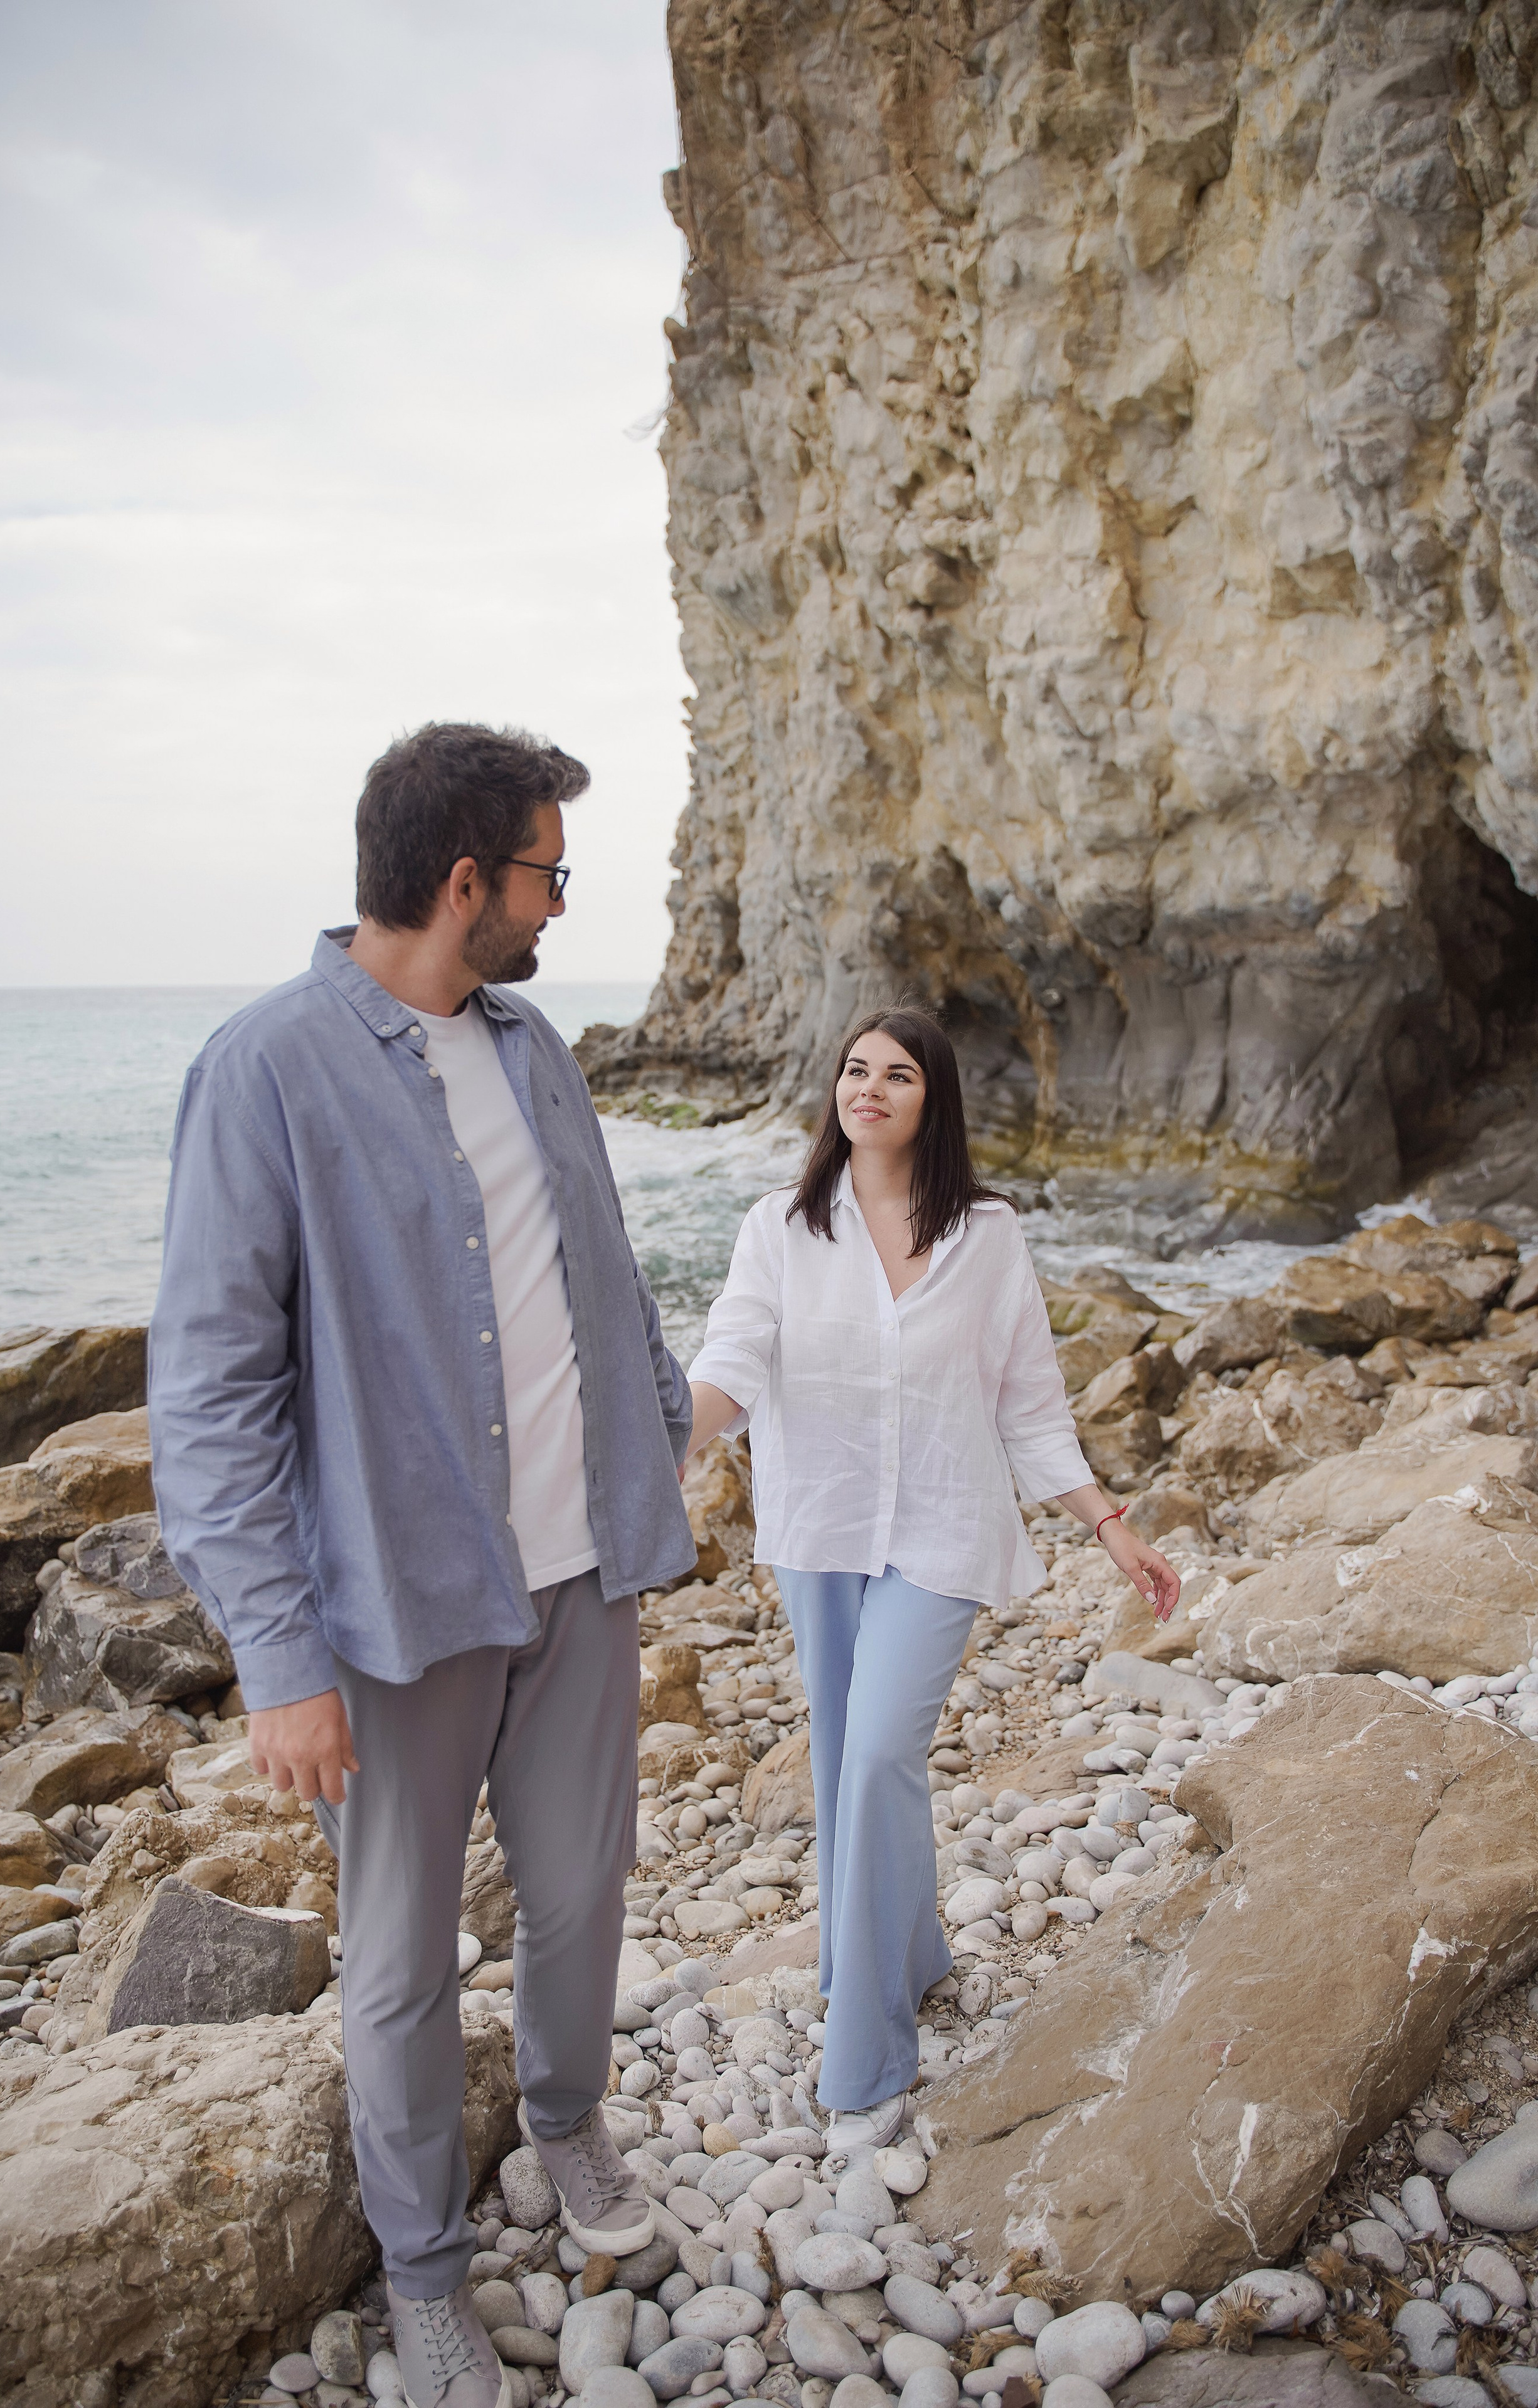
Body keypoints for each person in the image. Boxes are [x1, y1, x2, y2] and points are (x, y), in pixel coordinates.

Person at [147, 722, 697, 2408]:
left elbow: (600, 1271)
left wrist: (664, 1436)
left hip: (577, 1576)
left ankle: (565, 2125)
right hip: (394, 1616)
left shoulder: (539, 1053)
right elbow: (213, 1390)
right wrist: (280, 1657)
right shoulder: (265, 1072)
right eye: (546, 873)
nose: (557, 907)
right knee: (396, 1960)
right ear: (466, 882)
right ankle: (426, 2270)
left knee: (583, 1897)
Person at [682, 1005, 1180, 2152]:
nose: (869, 1088)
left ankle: (862, 2055)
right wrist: (675, 1438)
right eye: (855, 1070)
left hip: (945, 1531)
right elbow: (734, 1360)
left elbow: (1029, 1405)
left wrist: (1110, 1526)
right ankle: (910, 1958)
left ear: (931, 1100)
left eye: (897, 1075)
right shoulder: (781, 1226)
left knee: (876, 1753)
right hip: (822, 1529)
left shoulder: (987, 1237)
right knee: (843, 1755)